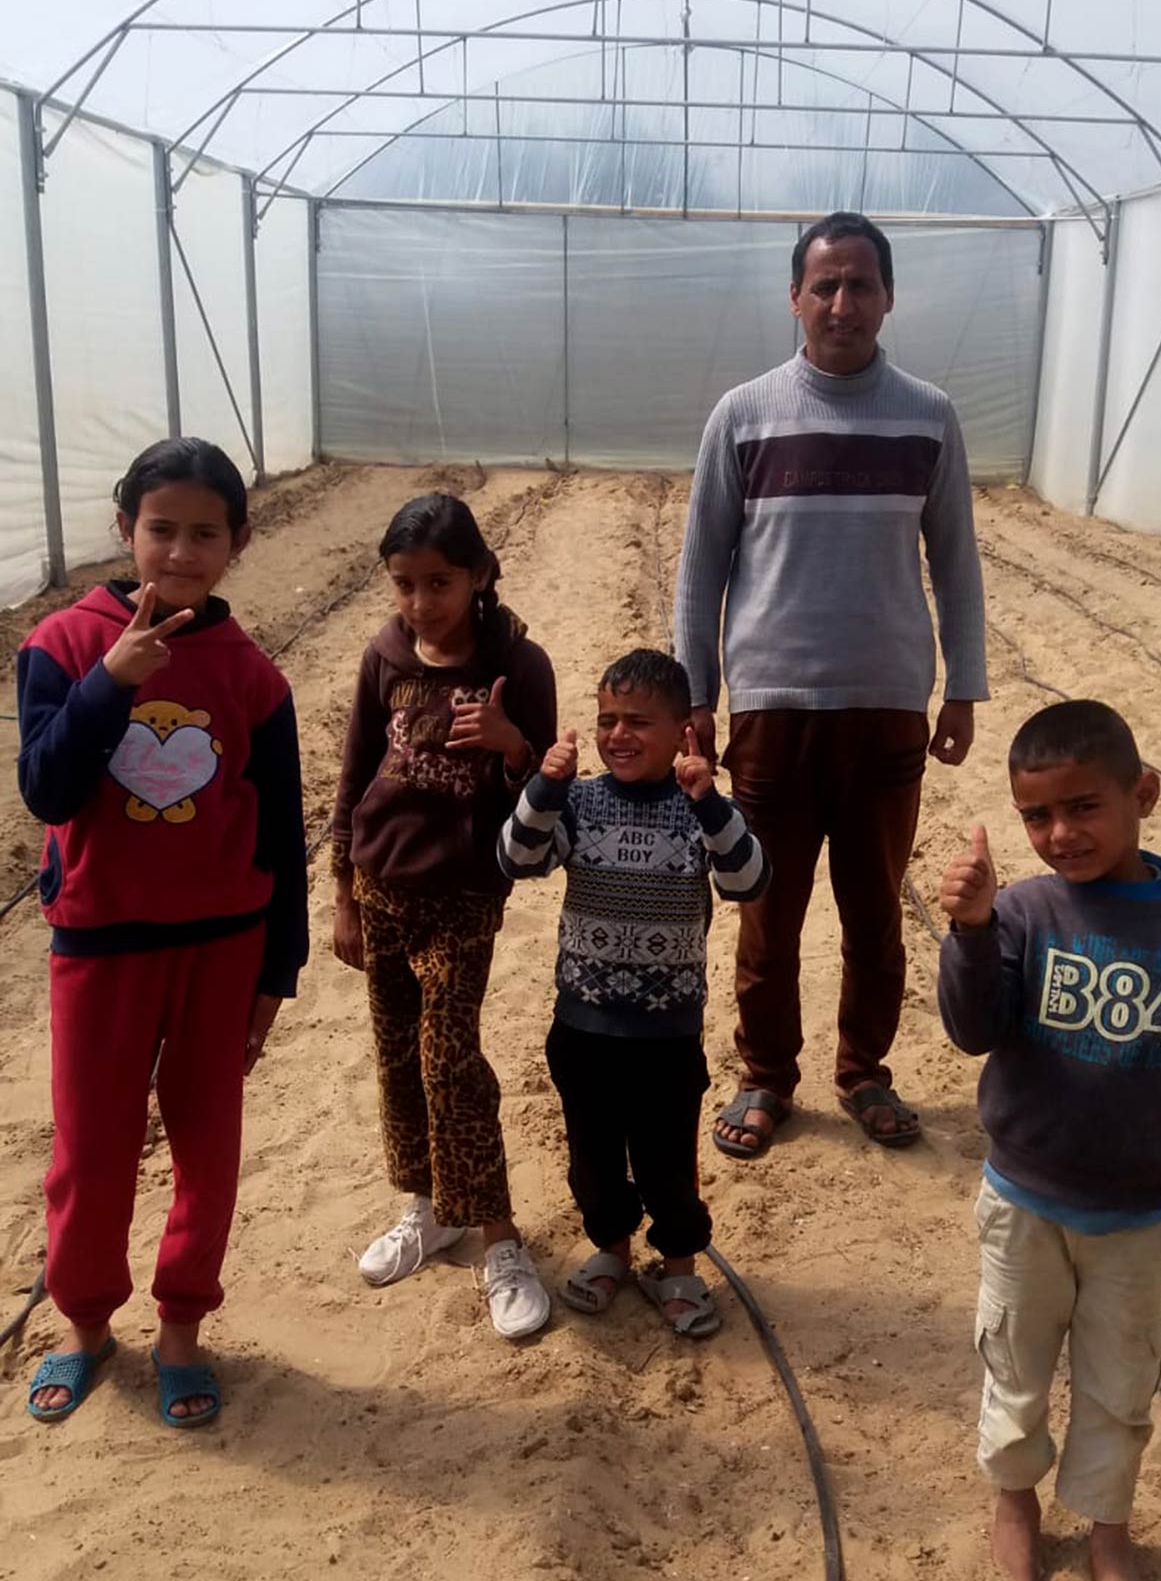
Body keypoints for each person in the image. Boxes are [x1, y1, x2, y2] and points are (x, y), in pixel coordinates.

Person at [673, 210, 988, 1159]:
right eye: (825, 285)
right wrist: (697, 690)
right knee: (766, 910)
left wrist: (961, 685)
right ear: (795, 298)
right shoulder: (744, 413)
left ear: (887, 297)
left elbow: (956, 559)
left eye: (860, 285)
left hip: (888, 706)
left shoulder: (928, 416)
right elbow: (701, 565)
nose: (841, 303)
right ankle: (765, 1075)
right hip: (771, 708)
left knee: (873, 908)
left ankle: (863, 1072)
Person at [937, 700, 1161, 1581]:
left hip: (1133, 1218)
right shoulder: (1022, 912)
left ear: (1142, 793)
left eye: (1083, 806)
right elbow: (972, 1030)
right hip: (1020, 1203)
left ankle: (1105, 1526)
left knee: (1120, 1386)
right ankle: (1014, 1498)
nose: (1059, 834)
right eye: (1035, 816)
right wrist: (970, 932)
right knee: (1013, 1359)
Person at [17, 438, 308, 1427]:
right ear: (125, 528)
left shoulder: (252, 674)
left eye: (204, 532)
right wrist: (109, 681)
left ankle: (182, 1319)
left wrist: (280, 965)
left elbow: (280, 830)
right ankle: (85, 1322)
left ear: (237, 540)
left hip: (221, 944)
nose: (179, 550)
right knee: (91, 1147)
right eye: (160, 528)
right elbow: (47, 788)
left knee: (206, 1141)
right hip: (100, 945)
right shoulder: (63, 642)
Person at [331, 493, 557, 1339]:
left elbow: (544, 793)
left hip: (462, 897)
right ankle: (427, 1207)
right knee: (395, 1061)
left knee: (448, 1061)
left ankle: (499, 1237)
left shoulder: (516, 665)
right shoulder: (383, 657)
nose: (421, 603)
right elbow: (353, 780)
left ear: (479, 575)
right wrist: (343, 894)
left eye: (439, 582)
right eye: (404, 584)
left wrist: (510, 746)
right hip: (382, 889)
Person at [498, 649, 769, 1337]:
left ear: (682, 729)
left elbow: (748, 881)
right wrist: (545, 786)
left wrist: (709, 800)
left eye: (638, 722)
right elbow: (516, 859)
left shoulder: (697, 809)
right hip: (583, 1025)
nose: (617, 734)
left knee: (666, 1159)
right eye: (606, 720)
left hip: (665, 1032)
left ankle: (678, 1265)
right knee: (590, 1156)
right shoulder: (582, 803)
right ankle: (610, 1250)